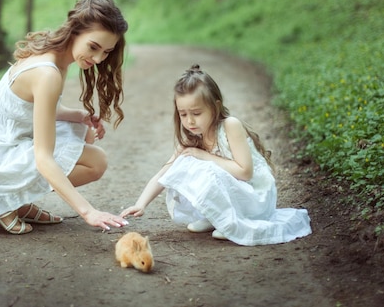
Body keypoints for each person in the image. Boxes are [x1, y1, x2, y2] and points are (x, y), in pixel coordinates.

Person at [0, 0, 130, 235]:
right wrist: (88, 212)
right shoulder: (48, 73)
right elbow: (42, 158)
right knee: (95, 162)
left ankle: (18, 200)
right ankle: (3, 197)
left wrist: (79, 116)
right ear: (75, 30)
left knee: (85, 138)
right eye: (94, 47)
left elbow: (33, 107)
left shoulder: (58, 55)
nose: (98, 59)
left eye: (106, 52)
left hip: (1, 140)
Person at [120, 64, 311, 245]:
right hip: (237, 194)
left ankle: (232, 222)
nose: (189, 121)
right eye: (183, 114)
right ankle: (216, 216)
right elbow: (165, 173)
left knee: (201, 164)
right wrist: (141, 203)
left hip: (255, 198)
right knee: (185, 161)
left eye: (196, 113)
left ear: (215, 107)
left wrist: (203, 155)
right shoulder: (194, 139)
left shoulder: (230, 126)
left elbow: (245, 172)